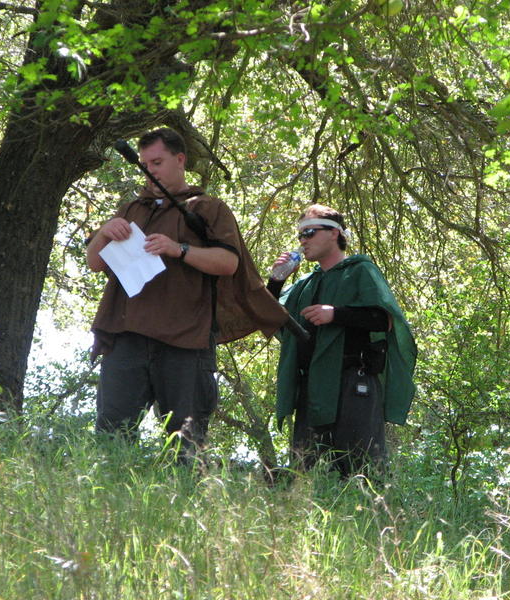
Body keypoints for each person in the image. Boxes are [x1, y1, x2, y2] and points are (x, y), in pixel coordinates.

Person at [87, 127, 288, 457]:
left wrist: (178, 249)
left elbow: (229, 263)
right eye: (144, 164)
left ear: (180, 160)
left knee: (185, 445)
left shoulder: (208, 208)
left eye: (157, 163)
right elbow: (95, 262)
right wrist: (103, 233)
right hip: (126, 337)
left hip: (186, 341)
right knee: (112, 438)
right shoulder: (131, 209)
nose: (150, 171)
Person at [268, 205, 417, 477]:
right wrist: (276, 282)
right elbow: (269, 317)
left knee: (363, 470)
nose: (303, 241)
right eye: (300, 235)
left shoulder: (360, 270)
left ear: (334, 233)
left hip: (352, 384)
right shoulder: (305, 284)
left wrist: (335, 314)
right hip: (312, 388)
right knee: (307, 474)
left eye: (309, 232)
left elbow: (383, 319)